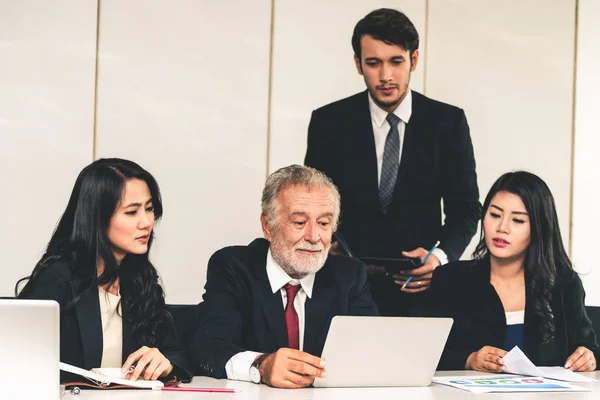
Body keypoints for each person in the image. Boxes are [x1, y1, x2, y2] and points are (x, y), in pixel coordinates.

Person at [304, 8, 480, 316]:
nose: (386, 76)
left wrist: (439, 257)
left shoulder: (447, 123)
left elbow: (465, 208)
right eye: (374, 63)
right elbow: (313, 202)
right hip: (343, 287)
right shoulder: (328, 122)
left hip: (419, 289)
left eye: (396, 61)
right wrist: (329, 246)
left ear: (413, 59)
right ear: (358, 64)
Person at [191, 165, 378, 388]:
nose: (314, 237)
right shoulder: (233, 267)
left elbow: (372, 352)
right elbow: (208, 348)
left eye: (324, 223)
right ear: (268, 226)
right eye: (300, 223)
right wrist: (261, 365)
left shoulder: (349, 275)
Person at [16, 158, 192, 382]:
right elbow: (17, 358)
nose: (146, 222)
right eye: (131, 212)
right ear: (97, 218)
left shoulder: (140, 278)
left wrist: (166, 364)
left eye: (149, 209)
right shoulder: (58, 277)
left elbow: (177, 354)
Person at [418, 171, 599, 372]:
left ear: (539, 228)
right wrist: (469, 359)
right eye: (495, 215)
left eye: (518, 220)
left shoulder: (565, 283)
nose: (502, 228)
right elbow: (421, 351)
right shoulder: (450, 279)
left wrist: (589, 357)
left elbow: (589, 348)